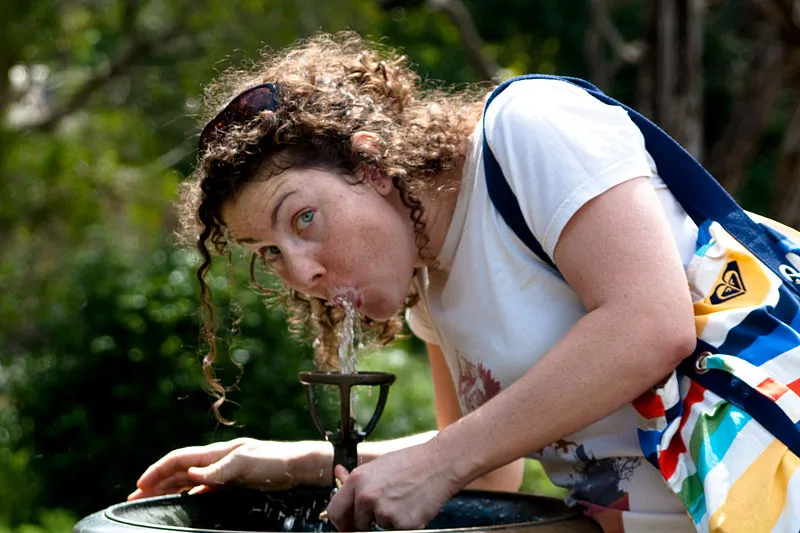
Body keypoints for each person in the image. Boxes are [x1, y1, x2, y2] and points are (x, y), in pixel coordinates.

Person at [127, 32, 702, 533]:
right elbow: (489, 463)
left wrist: (440, 463)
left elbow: (650, 321)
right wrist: (293, 462)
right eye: (270, 252)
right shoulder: (431, 290)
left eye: (304, 218)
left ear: (371, 167)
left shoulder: (527, 129)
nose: (303, 273)